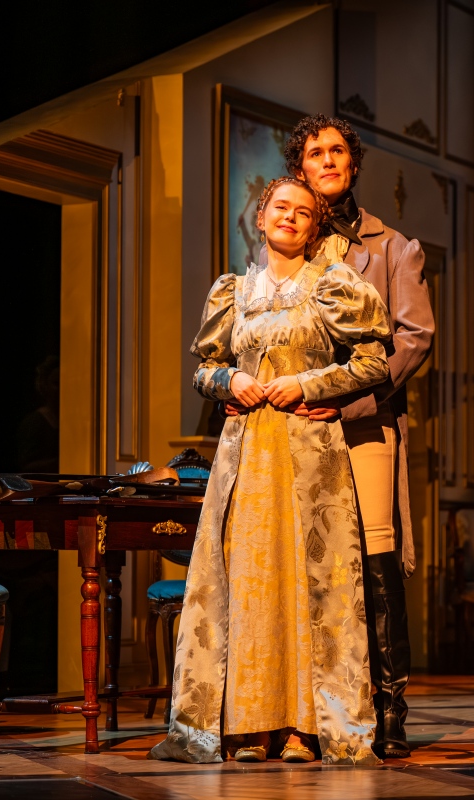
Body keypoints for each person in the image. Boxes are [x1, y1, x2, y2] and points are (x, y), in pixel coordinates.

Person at [149, 176, 391, 765]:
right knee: (252, 581)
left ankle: (307, 728)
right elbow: (203, 367)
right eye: (280, 208)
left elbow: (375, 359)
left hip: (312, 455)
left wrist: (308, 382)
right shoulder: (233, 290)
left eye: (303, 213)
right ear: (261, 218)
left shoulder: (336, 285)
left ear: (315, 226)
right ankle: (248, 726)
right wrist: (228, 379)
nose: (290, 218)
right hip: (246, 453)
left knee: (312, 587)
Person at [228, 114, 434, 758]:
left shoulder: (393, 246)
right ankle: (305, 713)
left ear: (353, 163)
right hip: (285, 436)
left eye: (338, 150)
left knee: (373, 564)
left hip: (361, 424)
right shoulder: (285, 243)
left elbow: (414, 341)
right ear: (299, 164)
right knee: (301, 567)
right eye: (314, 151)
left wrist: (349, 404)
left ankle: (389, 708)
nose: (327, 160)